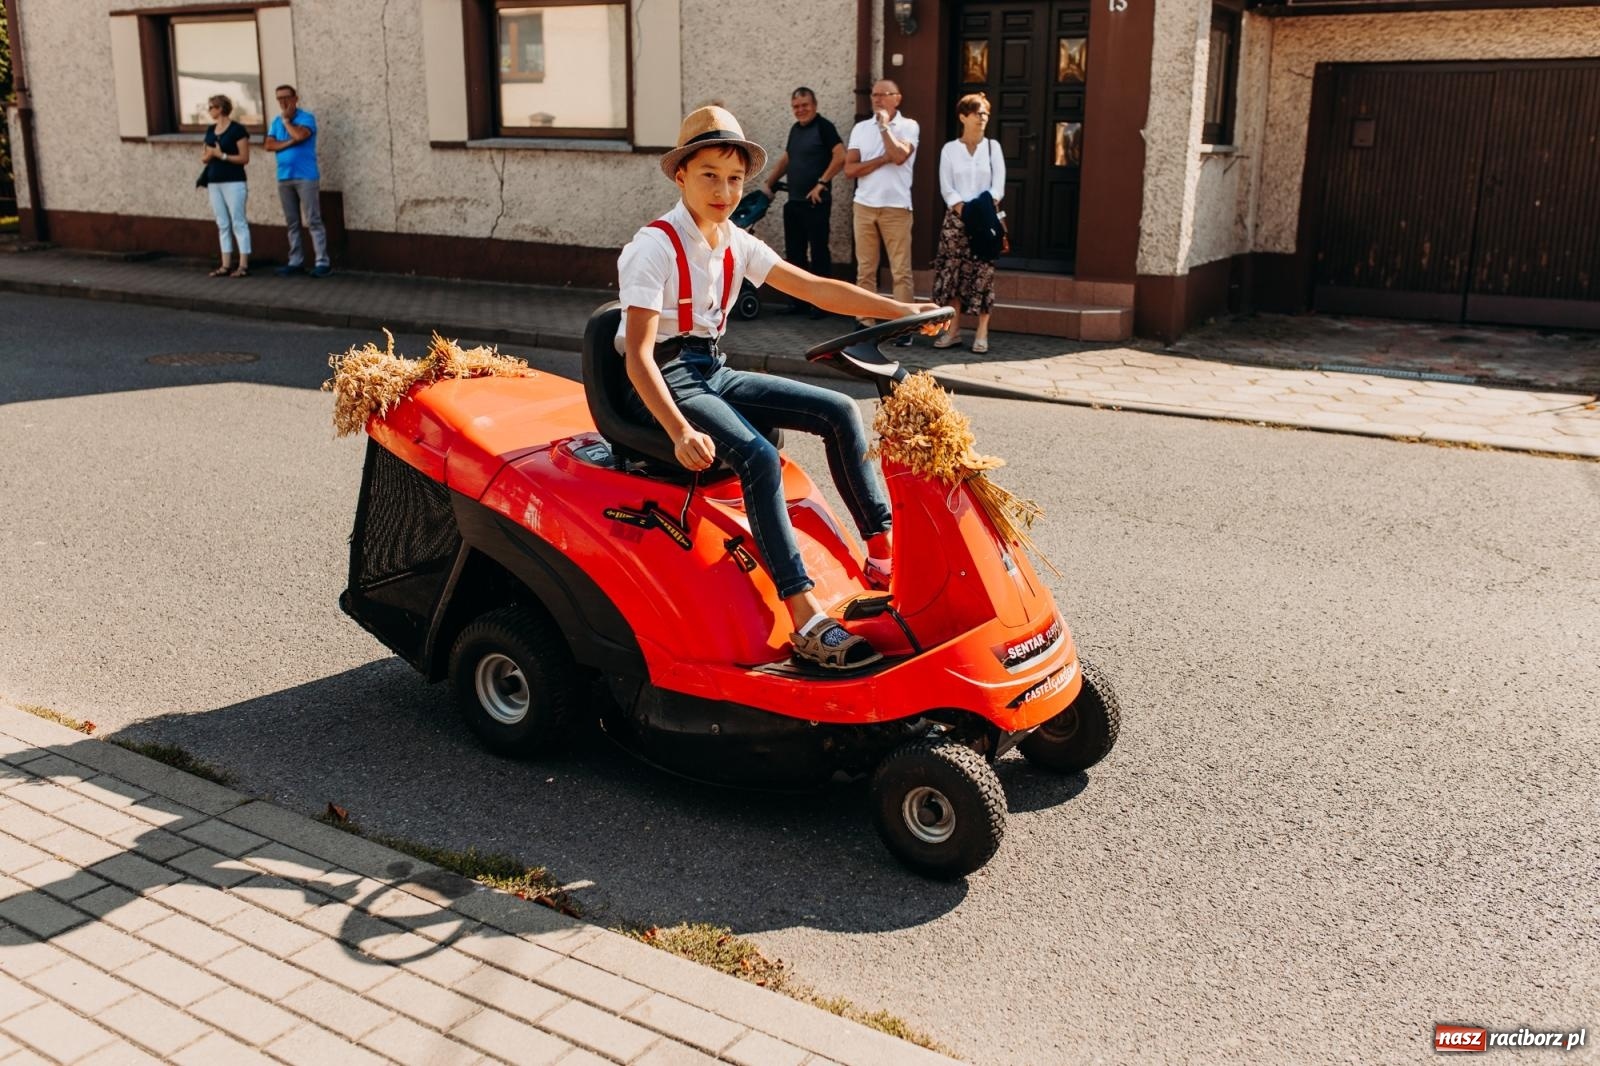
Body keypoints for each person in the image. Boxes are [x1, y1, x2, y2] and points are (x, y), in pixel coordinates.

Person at [616, 106, 943, 670]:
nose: (724, 191)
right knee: (759, 457)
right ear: (681, 175)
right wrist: (679, 430)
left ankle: (884, 556)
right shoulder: (654, 247)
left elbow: (814, 287)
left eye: (734, 178)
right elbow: (639, 357)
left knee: (840, 410)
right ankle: (805, 616)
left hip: (711, 368)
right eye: (710, 176)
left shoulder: (735, 241)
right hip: (665, 376)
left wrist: (900, 309)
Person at [844, 79, 919, 345]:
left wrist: (884, 127)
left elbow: (899, 156)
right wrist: (881, 159)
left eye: (883, 94)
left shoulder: (909, 126)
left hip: (896, 207)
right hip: (864, 205)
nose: (877, 99)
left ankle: (904, 326)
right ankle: (865, 323)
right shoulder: (860, 128)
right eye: (874, 94)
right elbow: (850, 169)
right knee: (865, 269)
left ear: (897, 98)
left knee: (901, 271)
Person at [932, 93, 1006, 354]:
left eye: (985, 113)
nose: (983, 117)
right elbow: (946, 186)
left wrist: (980, 208)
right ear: (963, 117)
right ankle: (952, 331)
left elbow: (998, 186)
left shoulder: (993, 147)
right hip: (957, 219)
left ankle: (982, 333)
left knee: (983, 272)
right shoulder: (950, 149)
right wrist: (963, 209)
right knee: (953, 274)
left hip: (985, 218)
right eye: (977, 113)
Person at [763, 87, 845, 318]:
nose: (800, 110)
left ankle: (823, 305)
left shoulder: (824, 127)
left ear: (814, 105)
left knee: (819, 254)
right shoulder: (795, 129)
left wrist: (822, 183)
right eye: (796, 106)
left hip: (815, 203)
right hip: (794, 202)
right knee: (795, 255)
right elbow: (788, 159)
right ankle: (798, 303)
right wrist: (768, 184)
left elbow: (841, 155)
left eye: (805, 105)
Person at [262, 85, 330, 277]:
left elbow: (300, 135)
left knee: (313, 220)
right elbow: (268, 145)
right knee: (292, 222)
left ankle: (322, 262)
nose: (283, 102)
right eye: (279, 98)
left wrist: (286, 121)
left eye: (286, 97)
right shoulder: (275, 122)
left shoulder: (306, 118)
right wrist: (290, 141)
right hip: (284, 177)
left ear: (295, 98)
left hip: (306, 176)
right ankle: (296, 261)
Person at [199, 95, 252, 278]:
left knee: (238, 221)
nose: (209, 111)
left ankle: (243, 265)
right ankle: (225, 264)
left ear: (220, 108)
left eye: (211, 107)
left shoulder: (237, 130)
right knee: (222, 223)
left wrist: (221, 155)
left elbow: (244, 158)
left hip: (234, 181)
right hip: (214, 181)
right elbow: (204, 156)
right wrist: (211, 154)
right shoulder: (210, 130)